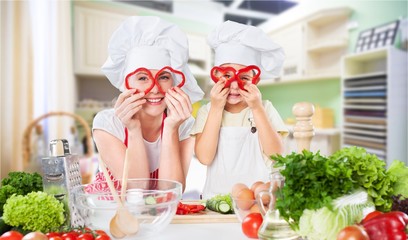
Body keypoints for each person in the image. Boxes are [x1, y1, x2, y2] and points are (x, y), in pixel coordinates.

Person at [92, 16, 204, 191]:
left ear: (174, 82)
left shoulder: (184, 125)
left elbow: (172, 192)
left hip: (160, 213)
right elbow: (136, 188)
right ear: (126, 83)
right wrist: (134, 129)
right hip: (111, 213)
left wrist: (170, 129)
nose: (155, 88)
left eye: (164, 77)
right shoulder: (107, 124)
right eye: (143, 78)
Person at [190, 21, 288, 199]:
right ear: (216, 76)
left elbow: (277, 155)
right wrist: (216, 108)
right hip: (215, 201)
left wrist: (257, 108)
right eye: (227, 75)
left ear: (255, 80)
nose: (234, 85)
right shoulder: (207, 111)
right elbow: (204, 157)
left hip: (258, 202)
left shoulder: (265, 108)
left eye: (244, 78)